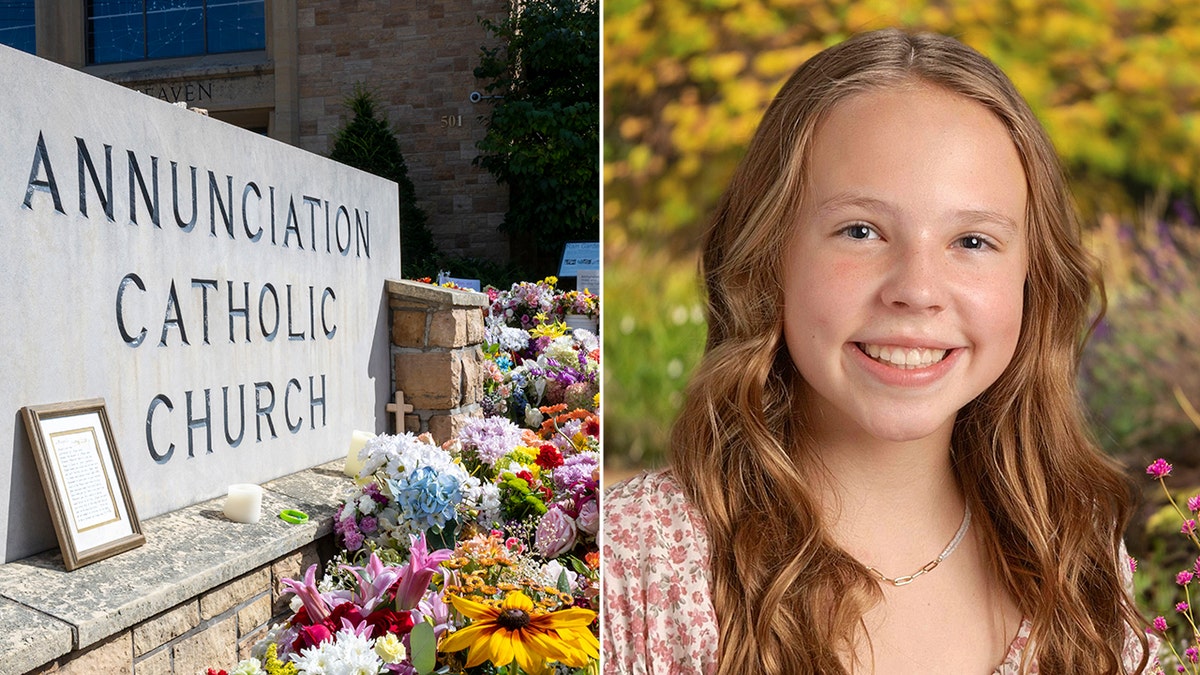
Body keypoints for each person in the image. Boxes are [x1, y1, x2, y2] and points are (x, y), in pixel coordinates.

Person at [602, 28, 1161, 674]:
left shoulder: (1078, 555)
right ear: (768, 257)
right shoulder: (635, 562)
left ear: (1032, 277)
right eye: (860, 230)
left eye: (972, 241)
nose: (917, 290)